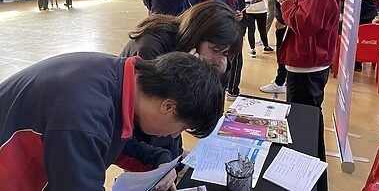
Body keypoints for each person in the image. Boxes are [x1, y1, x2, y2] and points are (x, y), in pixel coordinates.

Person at [0, 51, 224, 190]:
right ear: (168, 106)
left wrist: (158, 162)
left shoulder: (120, 77)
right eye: (182, 127)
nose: (175, 135)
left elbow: (114, 140)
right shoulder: (84, 115)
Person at [120, 1, 242, 168]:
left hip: (161, 130)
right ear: (196, 35)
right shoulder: (151, 48)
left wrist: (219, 73)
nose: (221, 59)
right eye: (215, 49)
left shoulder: (203, 55)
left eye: (226, 54)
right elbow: (152, 124)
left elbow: (184, 116)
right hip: (135, 136)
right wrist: (163, 162)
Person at [276, 0, 348, 190]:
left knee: (303, 126)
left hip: (306, 63)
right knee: (308, 122)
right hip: (307, 60)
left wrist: (287, 4)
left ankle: (307, 179)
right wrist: (296, 2)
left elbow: (305, 25)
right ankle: (314, 179)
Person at [260, 0, 304, 94]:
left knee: (282, 51)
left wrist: (281, 19)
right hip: (285, 18)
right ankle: (282, 80)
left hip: (285, 21)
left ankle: (280, 81)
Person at [218, 0, 254, 100]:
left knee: (226, 56)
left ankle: (227, 86)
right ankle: (232, 90)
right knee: (235, 57)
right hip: (234, 24)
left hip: (227, 22)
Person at [354, 0, 378, 71]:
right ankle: (359, 62)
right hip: (369, 12)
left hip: (359, 13)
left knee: (355, 39)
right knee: (363, 39)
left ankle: (356, 63)